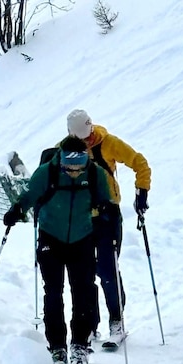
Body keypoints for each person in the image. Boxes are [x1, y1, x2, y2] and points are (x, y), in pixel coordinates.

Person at [3, 136, 113, 364]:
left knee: (83, 292)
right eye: (69, 168)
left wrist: (107, 211)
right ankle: (57, 347)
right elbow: (29, 197)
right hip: (51, 238)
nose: (74, 172)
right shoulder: (46, 173)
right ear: (62, 162)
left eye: (78, 168)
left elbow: (105, 201)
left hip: (82, 238)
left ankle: (80, 345)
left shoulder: (95, 174)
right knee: (53, 292)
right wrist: (16, 211)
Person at [66, 109, 152, 350]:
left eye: (89, 135)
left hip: (108, 217)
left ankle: (117, 320)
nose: (88, 141)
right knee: (84, 273)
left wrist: (141, 191)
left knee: (107, 269)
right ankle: (90, 324)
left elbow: (140, 163)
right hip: (81, 219)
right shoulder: (66, 149)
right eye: (82, 139)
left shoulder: (109, 143)